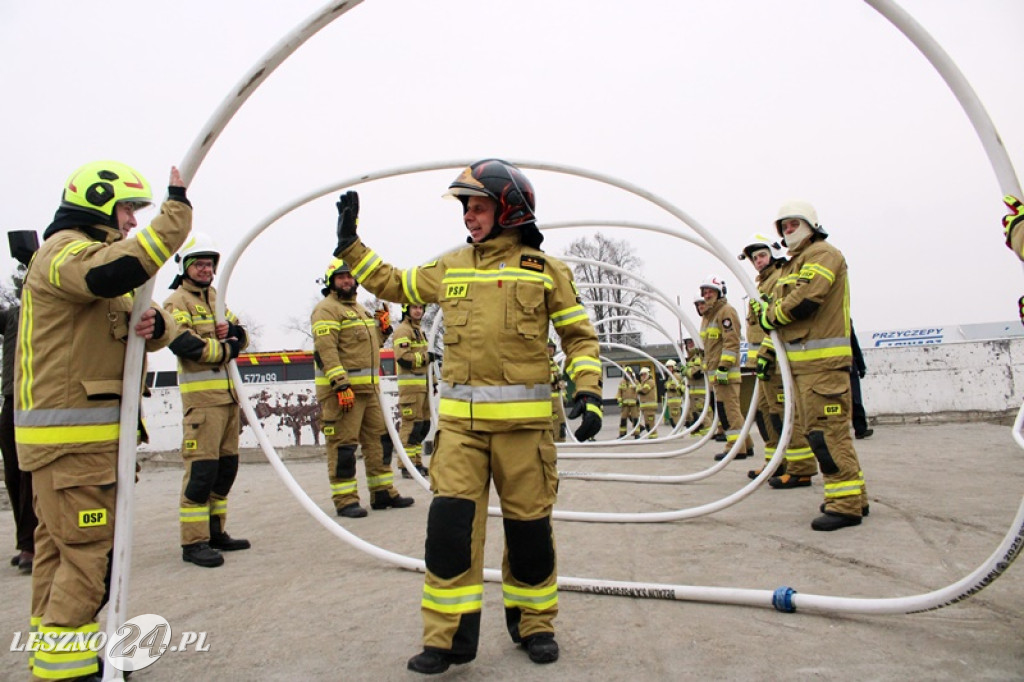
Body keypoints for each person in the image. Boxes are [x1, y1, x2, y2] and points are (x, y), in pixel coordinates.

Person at [333, 159, 603, 674]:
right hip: (460, 433)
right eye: (466, 209)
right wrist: (351, 247)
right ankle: (446, 639)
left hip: (525, 435)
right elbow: (394, 282)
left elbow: (579, 338)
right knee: (450, 533)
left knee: (529, 535)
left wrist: (587, 390)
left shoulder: (547, 273)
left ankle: (535, 625)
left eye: (477, 207)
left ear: (508, 209)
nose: (469, 218)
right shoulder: (451, 265)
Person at [16, 161, 189, 680]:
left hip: (80, 445)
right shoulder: (66, 252)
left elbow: (147, 316)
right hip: (73, 445)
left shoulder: (87, 259)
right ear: (97, 203)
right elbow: (115, 272)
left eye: (139, 211)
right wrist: (174, 213)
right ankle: (66, 670)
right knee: (90, 552)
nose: (133, 221)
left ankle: (58, 650)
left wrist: (158, 323)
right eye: (128, 210)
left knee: (60, 550)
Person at [757, 200, 869, 531]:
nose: (788, 231)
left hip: (823, 367)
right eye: (784, 227)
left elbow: (806, 298)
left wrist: (770, 316)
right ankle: (853, 497)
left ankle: (845, 505)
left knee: (827, 436)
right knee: (824, 435)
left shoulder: (823, 255)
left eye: (793, 224)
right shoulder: (794, 264)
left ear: (810, 224)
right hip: (805, 368)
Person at [163, 232, 252, 569]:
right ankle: (194, 542)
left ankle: (216, 532)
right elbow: (185, 345)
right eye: (198, 264)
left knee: (225, 470)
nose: (205, 269)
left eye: (208, 264)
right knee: (201, 473)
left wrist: (233, 336)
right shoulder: (177, 302)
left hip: (228, 401)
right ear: (185, 267)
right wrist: (227, 349)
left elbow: (241, 333)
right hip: (202, 402)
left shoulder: (215, 297)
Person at [311, 257, 414, 518]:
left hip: (369, 392)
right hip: (343, 393)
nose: (348, 281)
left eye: (350, 277)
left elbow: (367, 349)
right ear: (331, 282)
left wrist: (383, 329)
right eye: (341, 277)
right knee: (343, 446)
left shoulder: (359, 309)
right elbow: (327, 351)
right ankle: (345, 499)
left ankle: (382, 492)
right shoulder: (326, 310)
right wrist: (341, 384)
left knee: (379, 442)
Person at [739, 234, 815, 485]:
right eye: (754, 258)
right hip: (764, 360)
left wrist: (769, 352)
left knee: (785, 412)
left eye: (761, 256)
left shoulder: (779, 279)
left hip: (776, 357)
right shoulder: (762, 284)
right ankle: (775, 461)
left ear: (773, 255)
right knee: (766, 412)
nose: (758, 261)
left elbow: (778, 321)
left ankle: (801, 467)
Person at [1, 256, 37, 574]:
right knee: (13, 474)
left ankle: (33, 545)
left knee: (31, 475)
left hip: (38, 400)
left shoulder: (51, 312)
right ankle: (25, 540)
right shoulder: (13, 315)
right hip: (11, 399)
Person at [699, 275, 753, 460]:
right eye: (704, 292)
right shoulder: (708, 316)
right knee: (730, 409)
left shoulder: (726, 312)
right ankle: (746, 443)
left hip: (726, 373)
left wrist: (723, 367)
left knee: (729, 410)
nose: (706, 295)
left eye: (710, 292)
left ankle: (735, 448)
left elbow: (731, 342)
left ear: (719, 293)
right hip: (716, 374)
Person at [394, 303, 432, 478]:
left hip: (423, 387)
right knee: (411, 427)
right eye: (414, 307)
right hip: (411, 389)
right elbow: (403, 359)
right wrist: (426, 358)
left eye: (421, 308)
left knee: (422, 426)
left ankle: (416, 462)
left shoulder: (419, 331)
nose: (418, 311)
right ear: (406, 310)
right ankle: (406, 466)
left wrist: (434, 383)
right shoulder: (404, 331)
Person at [683, 337, 711, 436]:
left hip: (701, 393)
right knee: (695, 416)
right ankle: (698, 433)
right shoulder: (690, 359)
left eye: (692, 342)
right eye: (687, 342)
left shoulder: (699, 357)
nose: (689, 344)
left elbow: (696, 373)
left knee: (703, 415)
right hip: (693, 394)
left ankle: (708, 434)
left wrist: (685, 371)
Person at [849, 322, 873, 439]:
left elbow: (854, 343)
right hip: (831, 367)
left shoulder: (846, 320)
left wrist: (861, 366)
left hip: (850, 365)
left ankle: (860, 429)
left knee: (855, 399)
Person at [547, 340, 567, 442]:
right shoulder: (541, 363)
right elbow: (543, 377)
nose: (550, 349)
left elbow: (561, 381)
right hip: (547, 398)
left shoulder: (554, 363)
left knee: (560, 422)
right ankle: (555, 440)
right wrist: (555, 379)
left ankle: (559, 439)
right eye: (548, 347)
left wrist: (564, 395)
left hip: (556, 398)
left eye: (552, 347)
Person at [617, 366, 640, 438]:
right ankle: (622, 434)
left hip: (634, 405)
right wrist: (619, 400)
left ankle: (637, 434)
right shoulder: (622, 382)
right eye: (626, 373)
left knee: (635, 419)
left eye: (629, 373)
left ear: (631, 374)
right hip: (625, 405)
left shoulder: (635, 381)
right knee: (623, 419)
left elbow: (640, 389)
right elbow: (619, 392)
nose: (628, 375)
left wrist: (636, 387)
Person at [636, 366, 658, 438]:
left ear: (648, 374)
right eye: (642, 374)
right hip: (645, 407)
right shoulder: (643, 383)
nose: (643, 376)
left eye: (644, 374)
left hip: (650, 407)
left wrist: (638, 389)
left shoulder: (650, 381)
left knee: (650, 422)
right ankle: (651, 435)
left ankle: (653, 436)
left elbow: (644, 390)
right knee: (647, 423)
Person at [663, 359, 684, 428]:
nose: (668, 369)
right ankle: (677, 431)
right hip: (671, 401)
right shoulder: (670, 376)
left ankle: (679, 432)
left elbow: (673, 386)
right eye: (668, 367)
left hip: (675, 401)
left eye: (670, 367)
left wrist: (667, 385)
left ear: (674, 367)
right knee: (672, 418)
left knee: (676, 418)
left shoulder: (676, 376)